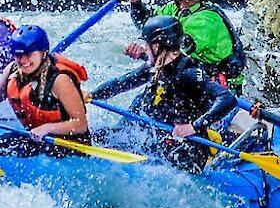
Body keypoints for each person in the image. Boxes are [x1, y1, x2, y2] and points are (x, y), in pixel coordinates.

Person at [89, 15, 241, 169]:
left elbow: (228, 98)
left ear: (156, 47)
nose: (145, 49)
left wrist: (194, 126)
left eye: (147, 45)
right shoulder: (153, 67)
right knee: (98, 136)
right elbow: (120, 84)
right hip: (156, 136)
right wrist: (90, 95)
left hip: (184, 149)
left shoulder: (189, 73)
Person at [118, 0, 246, 82]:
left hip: (216, 86)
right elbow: (146, 23)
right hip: (189, 77)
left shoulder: (206, 21)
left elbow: (175, 54)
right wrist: (135, 0)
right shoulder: (174, 9)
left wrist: (143, 53)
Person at [0, 25, 90, 154]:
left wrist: (47, 128)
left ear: (43, 53)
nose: (23, 61)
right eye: (19, 55)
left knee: (10, 147)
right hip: (39, 138)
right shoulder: (12, 70)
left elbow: (80, 124)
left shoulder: (60, 80)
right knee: (4, 144)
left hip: (69, 145)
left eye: (29, 54)